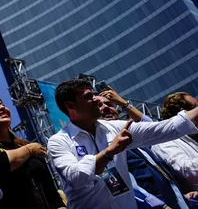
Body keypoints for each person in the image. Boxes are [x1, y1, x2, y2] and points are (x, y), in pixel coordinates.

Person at [47, 79, 198, 209]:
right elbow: (75, 177)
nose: (96, 99)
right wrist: (109, 152)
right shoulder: (59, 141)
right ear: (70, 106)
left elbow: (164, 129)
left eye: (94, 94)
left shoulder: (115, 128)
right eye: (88, 96)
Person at [0, 93, 64, 209]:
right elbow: (1, 163)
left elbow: (52, 193)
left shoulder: (26, 146)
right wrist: (29, 149)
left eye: (2, 104)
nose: (1, 107)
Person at [95, 93, 191, 209]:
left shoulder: (137, 140)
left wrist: (185, 194)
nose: (105, 107)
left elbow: (157, 128)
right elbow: (117, 186)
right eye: (98, 105)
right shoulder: (101, 147)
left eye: (109, 104)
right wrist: (160, 206)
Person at [151, 93, 198, 192]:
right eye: (196, 108)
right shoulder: (164, 142)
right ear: (184, 113)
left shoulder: (194, 136)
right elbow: (190, 173)